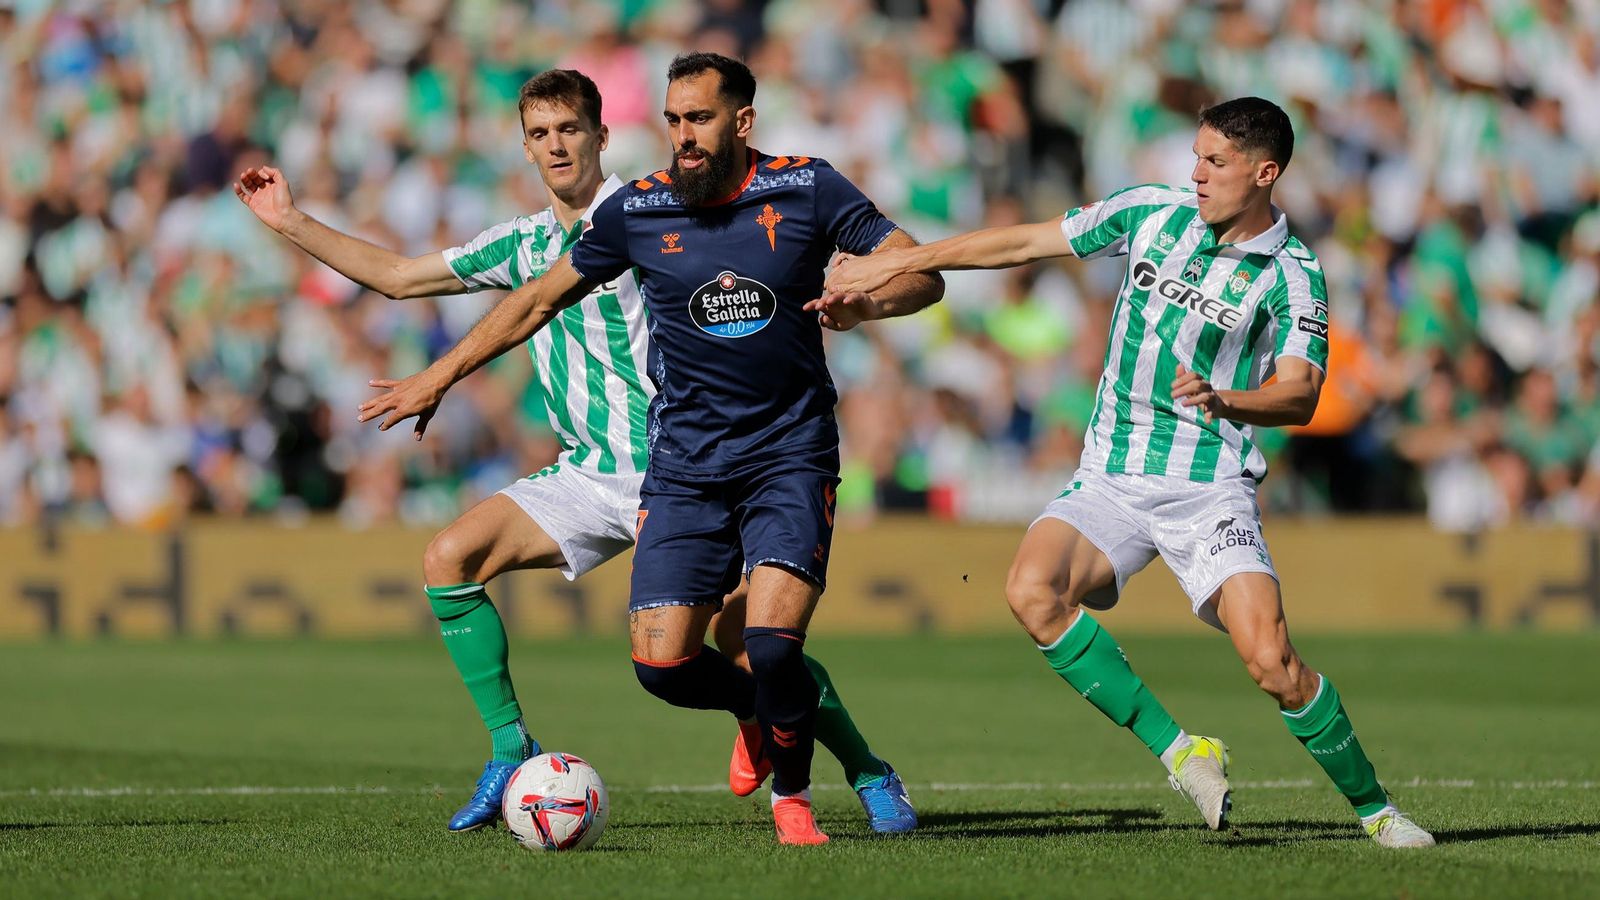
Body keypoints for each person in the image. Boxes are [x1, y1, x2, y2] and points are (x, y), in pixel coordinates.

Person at [236, 68, 915, 836]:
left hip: (682, 465)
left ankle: (864, 769)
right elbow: (397, 278)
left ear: (602, 136)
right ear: (524, 148)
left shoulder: (656, 210)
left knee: (751, 640)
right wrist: (289, 220)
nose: (556, 146)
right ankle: (509, 748)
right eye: (538, 134)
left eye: (569, 130)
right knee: (449, 558)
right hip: (591, 473)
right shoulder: (525, 243)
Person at [823, 96, 1435, 849]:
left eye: (1217, 162)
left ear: (1265, 173)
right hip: (1112, 473)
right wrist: (904, 258)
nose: (1197, 174)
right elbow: (1023, 243)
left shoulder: (1294, 274)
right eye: (1197, 156)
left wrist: (1227, 397)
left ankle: (1377, 811)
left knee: (1272, 662)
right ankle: (1183, 752)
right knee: (1031, 591)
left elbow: (1303, 392)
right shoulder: (1152, 212)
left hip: (1208, 485)